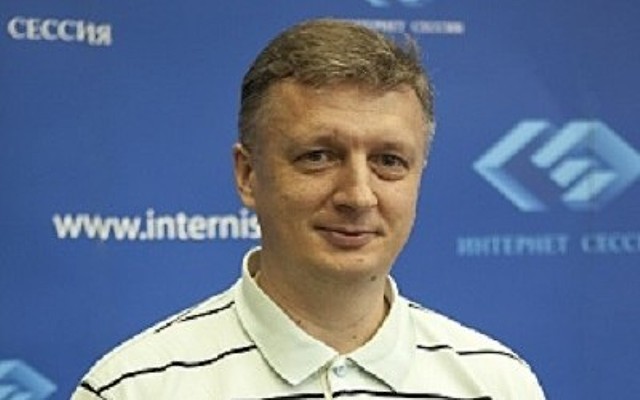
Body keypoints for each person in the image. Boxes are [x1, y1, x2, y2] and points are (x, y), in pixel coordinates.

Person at [72, 18, 546, 399]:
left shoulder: (498, 385)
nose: (358, 195)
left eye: (388, 161)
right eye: (318, 156)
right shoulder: (133, 388)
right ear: (248, 175)